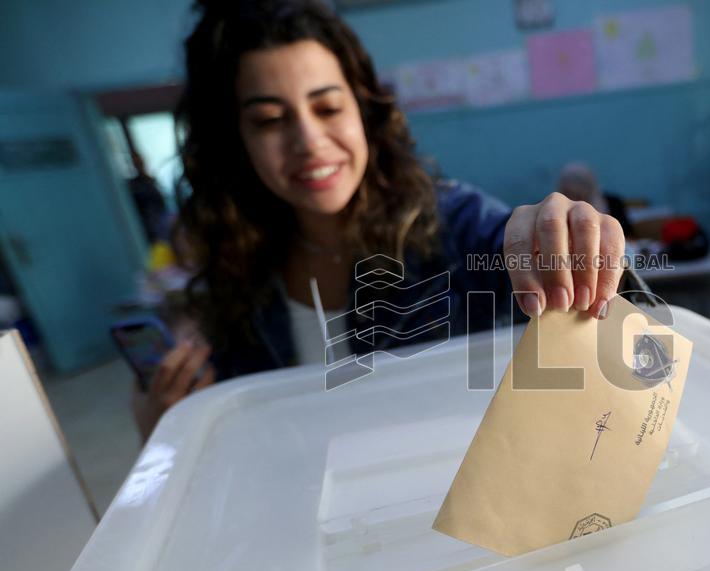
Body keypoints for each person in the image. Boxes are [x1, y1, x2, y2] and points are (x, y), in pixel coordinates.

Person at [131, 0, 626, 437]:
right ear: (233, 139)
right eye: (269, 120)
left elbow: (548, 274)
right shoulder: (236, 272)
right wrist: (170, 429)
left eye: (327, 107)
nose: (308, 142)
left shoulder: (450, 223)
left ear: (364, 109)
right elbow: (243, 440)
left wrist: (560, 236)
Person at [557, 162, 634, 238]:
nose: (575, 197)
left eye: (581, 186)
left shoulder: (613, 203)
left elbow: (628, 234)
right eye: (569, 193)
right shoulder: (558, 208)